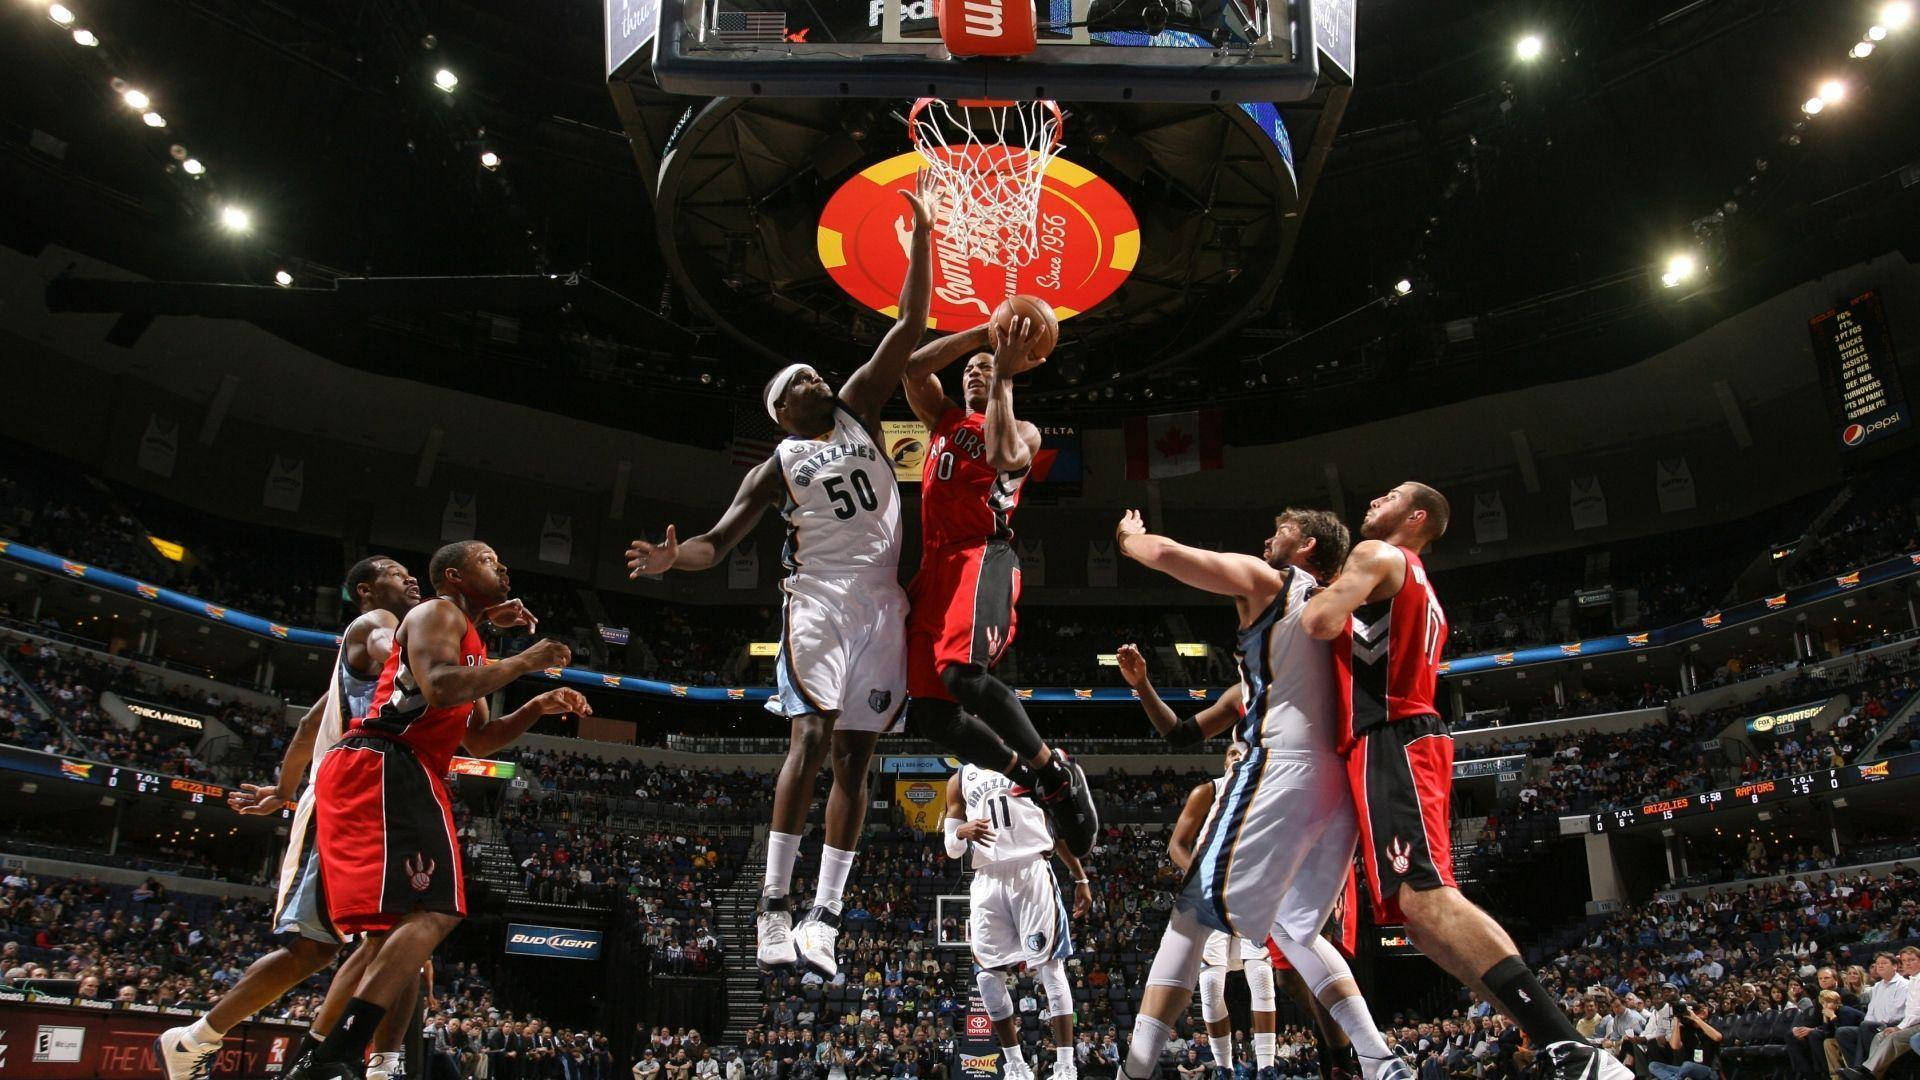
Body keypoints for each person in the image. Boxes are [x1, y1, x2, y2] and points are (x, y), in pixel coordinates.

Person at [626, 178, 936, 977]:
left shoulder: (861, 407)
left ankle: (824, 918)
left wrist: (925, 234)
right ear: (781, 412)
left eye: (811, 374)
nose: (811, 380)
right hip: (820, 604)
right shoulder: (777, 466)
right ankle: (772, 907)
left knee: (861, 760)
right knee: (810, 734)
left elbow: (907, 325)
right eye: (795, 382)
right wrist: (673, 558)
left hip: (882, 606)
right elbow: (717, 544)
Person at [1300, 483, 1631, 1080]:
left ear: (1417, 516)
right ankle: (1557, 1045)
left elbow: (1320, 620)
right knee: (1422, 924)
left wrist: (1296, 589)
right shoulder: (1418, 580)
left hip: (1392, 736)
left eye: (1393, 493)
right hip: (1398, 738)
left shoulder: (1376, 556)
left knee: (1427, 898)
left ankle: (1572, 1047)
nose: (1376, 497)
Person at [1113, 508, 1402, 1080]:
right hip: (1339, 782)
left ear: (1306, 544)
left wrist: (1129, 539)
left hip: (1280, 767)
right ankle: (1380, 1061)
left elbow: (1170, 557)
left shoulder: (1273, 581)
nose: (1267, 536)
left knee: (1189, 918)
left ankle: (1134, 1072)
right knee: (1297, 930)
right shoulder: (1342, 601)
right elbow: (1181, 732)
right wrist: (1143, 686)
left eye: (1281, 529)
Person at [289, 541, 588, 1080]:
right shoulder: (436, 613)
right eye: (488, 560)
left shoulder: (468, 639)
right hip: (385, 757)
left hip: (404, 766)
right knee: (437, 909)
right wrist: (526, 660)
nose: (502, 567)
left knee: (400, 928)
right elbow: (441, 688)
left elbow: (482, 739)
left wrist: (536, 705)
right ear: (453, 575)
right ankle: (338, 1053)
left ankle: (324, 1057)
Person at [157, 557, 423, 1080]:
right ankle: (197, 1040)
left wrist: (281, 790)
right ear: (368, 590)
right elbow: (390, 656)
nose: (412, 576)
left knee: (395, 937)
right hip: (344, 801)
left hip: (369, 799)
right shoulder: (379, 627)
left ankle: (371, 1062)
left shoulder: (366, 663)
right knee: (319, 949)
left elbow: (308, 723)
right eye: (397, 571)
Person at [899, 319, 1098, 856]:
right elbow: (913, 367)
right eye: (970, 370)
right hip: (933, 569)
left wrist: (1005, 377)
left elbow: (1004, 454)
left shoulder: (1025, 429)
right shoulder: (942, 416)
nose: (975, 373)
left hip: (980, 553)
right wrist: (981, 335)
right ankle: (1028, 777)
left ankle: (1051, 768)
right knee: (933, 714)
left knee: (962, 675)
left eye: (985, 368)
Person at [944, 759, 1093, 1080]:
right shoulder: (958, 779)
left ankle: (1066, 1066)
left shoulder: (1030, 761)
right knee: (985, 976)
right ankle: (1015, 1065)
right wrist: (961, 831)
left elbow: (1058, 828)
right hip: (987, 877)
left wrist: (1080, 878)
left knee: (1050, 966)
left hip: (1031, 868)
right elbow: (952, 849)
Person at [1165, 741, 1280, 1080]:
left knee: (1261, 976)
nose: (1237, 756)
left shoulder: (1266, 794)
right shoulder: (1209, 791)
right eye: (1231, 753)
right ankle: (1224, 1068)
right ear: (1223, 761)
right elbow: (1176, 846)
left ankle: (1267, 1066)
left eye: (1243, 753)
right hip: (1211, 898)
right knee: (1212, 985)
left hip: (1252, 894)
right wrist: (1203, 881)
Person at [1845, 946, 1920, 1080]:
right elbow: (1872, 1010)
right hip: (1908, 1022)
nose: (1907, 963)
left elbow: (1915, 1013)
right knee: (1877, 1036)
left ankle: (1868, 1074)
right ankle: (1869, 1072)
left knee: (1891, 1036)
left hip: (1909, 1023)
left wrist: (1898, 1027)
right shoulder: (1912, 980)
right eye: (1904, 960)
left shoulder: (1907, 983)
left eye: (1911, 960)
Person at [1835, 953, 1908, 1072]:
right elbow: (1871, 1011)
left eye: (1884, 963)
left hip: (1893, 1025)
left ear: (1895, 966)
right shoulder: (1877, 986)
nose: (1879, 966)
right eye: (1877, 963)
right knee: (1843, 1032)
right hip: (1873, 1026)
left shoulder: (1904, 985)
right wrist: (1869, 1023)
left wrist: (1872, 1024)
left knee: (1866, 1026)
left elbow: (1896, 1013)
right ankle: (1854, 1069)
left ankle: (1861, 1069)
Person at [1648, 999, 1719, 1080]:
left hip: (1706, 1070)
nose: (1701, 1010)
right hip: (1684, 1070)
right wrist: (1677, 1020)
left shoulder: (1713, 1023)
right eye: (1698, 1008)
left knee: (1688, 1065)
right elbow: (1675, 1046)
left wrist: (1696, 1018)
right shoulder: (1686, 1028)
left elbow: (1717, 1037)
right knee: (1653, 1065)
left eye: (1704, 1007)